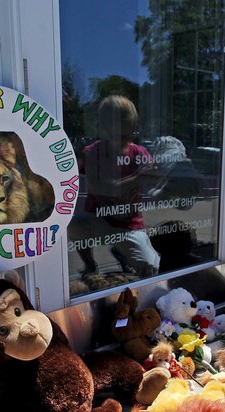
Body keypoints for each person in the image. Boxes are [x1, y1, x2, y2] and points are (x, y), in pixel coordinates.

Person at [69, 95, 160, 278]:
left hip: (129, 224)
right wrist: (137, 178)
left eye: (127, 136)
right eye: (115, 136)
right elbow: (102, 189)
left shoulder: (140, 152)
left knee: (151, 267)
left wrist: (160, 172)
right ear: (102, 129)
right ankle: (90, 265)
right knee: (74, 224)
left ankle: (121, 251)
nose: (121, 142)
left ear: (134, 129)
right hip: (98, 218)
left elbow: (155, 175)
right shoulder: (92, 152)